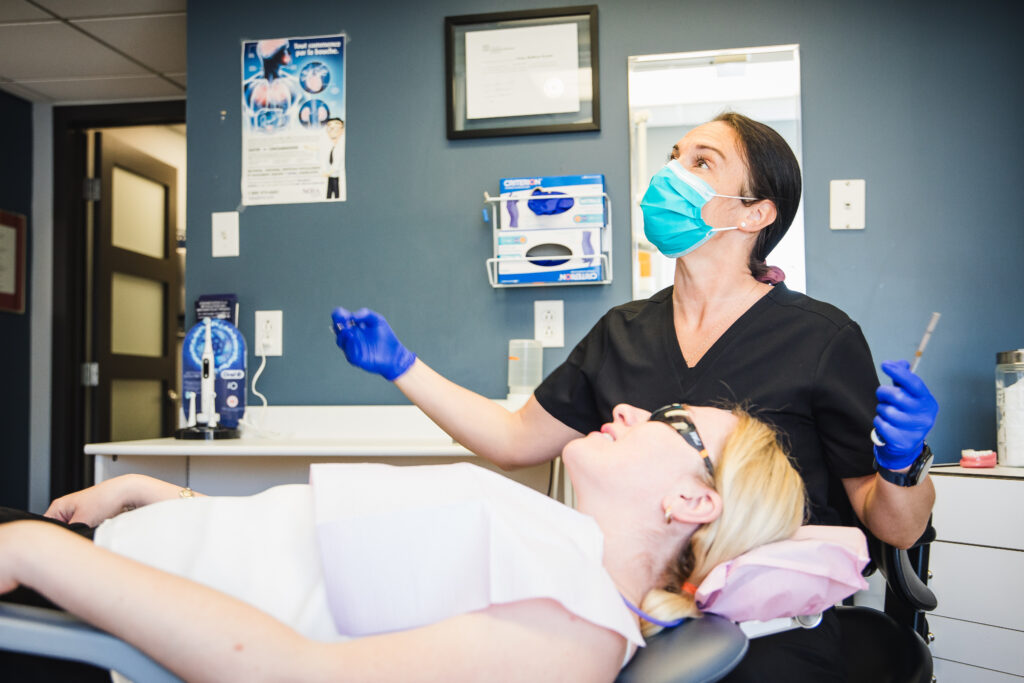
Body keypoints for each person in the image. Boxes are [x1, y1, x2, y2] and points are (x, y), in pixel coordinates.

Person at [330, 112, 939, 681]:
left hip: (770, 633)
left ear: (755, 214)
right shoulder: (623, 331)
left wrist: (900, 464)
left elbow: (898, 529)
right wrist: (402, 367)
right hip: (639, 614)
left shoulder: (820, 339)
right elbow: (514, 440)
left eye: (702, 162)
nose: (669, 173)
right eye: (672, 156)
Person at [2, 404, 807, 682]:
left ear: (692, 498)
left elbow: (284, 669)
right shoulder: (559, 549)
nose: (629, 408)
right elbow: (316, 566)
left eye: (671, 423)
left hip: (75, 621)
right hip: (92, 559)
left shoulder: (573, 635)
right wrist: (161, 495)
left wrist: (44, 557)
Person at [321, 117, 345, 199]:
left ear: (342, 129)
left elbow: (337, 164)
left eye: (336, 127)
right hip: (330, 177)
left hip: (335, 176)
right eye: (330, 127)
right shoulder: (328, 146)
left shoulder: (341, 148)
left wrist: (328, 173)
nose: (333, 130)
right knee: (328, 196)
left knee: (337, 195)